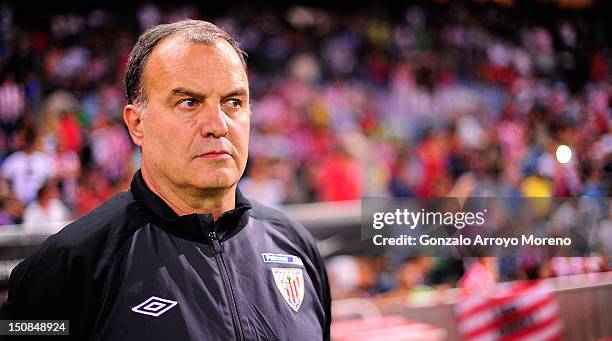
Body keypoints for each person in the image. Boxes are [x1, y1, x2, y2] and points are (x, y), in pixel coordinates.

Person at [1, 20, 331, 341]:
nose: (217, 124)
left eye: (233, 102)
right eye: (189, 102)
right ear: (136, 124)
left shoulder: (294, 245)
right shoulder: (71, 265)